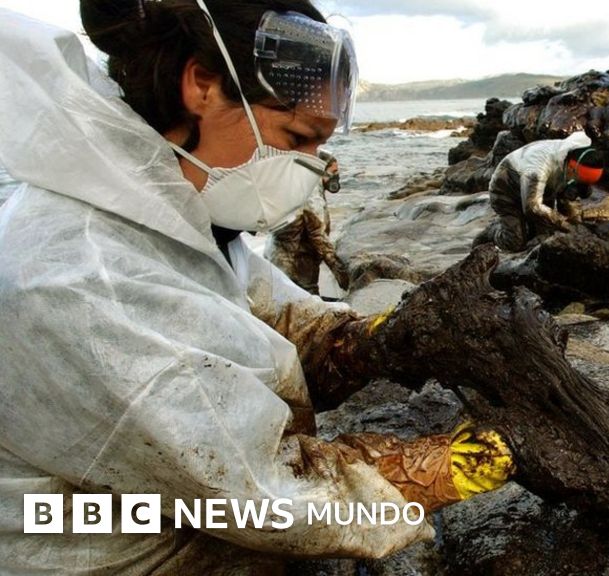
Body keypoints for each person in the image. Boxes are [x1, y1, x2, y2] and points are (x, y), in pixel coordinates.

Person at [0, 1, 512, 573]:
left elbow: (271, 316)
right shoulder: (83, 278)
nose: (311, 166)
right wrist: (447, 468)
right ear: (202, 85)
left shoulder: (168, 213)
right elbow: (266, 498)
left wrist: (377, 340)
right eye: (296, 137)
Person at [474, 132, 607, 252]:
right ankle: (494, 230)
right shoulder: (538, 169)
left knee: (545, 235)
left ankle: (527, 226)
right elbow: (532, 207)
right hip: (506, 189)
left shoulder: (576, 155)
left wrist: (576, 222)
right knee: (515, 242)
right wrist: (564, 223)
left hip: (545, 188)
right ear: (571, 168)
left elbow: (571, 199)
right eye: (579, 180)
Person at [265, 152, 351, 295]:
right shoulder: (311, 192)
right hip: (296, 262)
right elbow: (318, 234)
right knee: (304, 297)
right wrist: (338, 268)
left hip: (280, 256)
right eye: (334, 171)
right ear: (320, 170)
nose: (336, 176)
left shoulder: (299, 184)